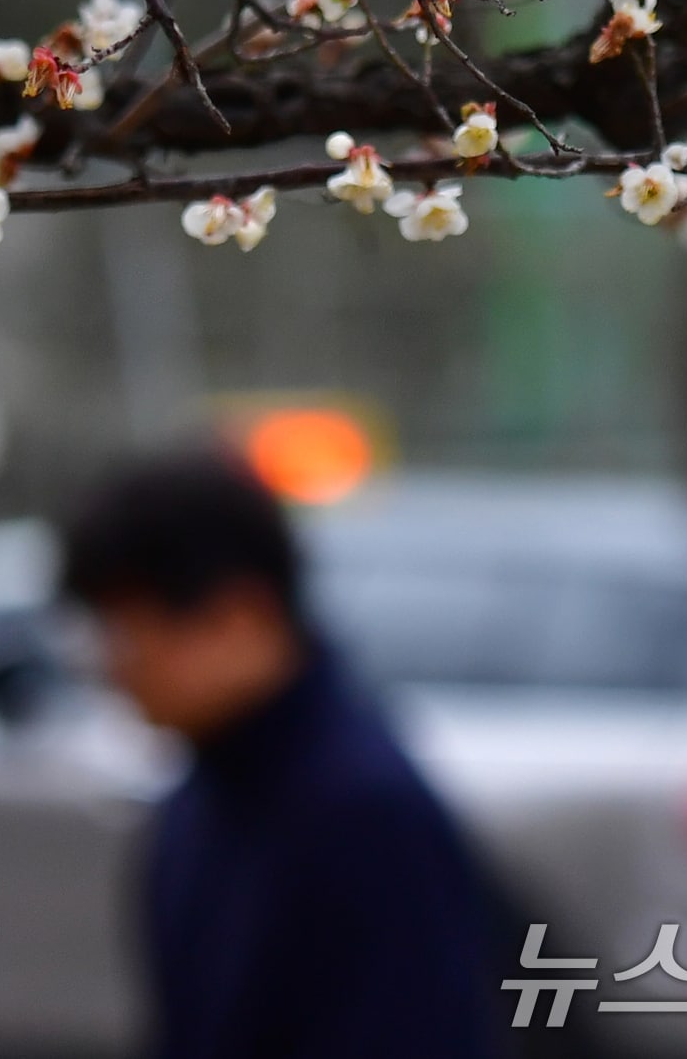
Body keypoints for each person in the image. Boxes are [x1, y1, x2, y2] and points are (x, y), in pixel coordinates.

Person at [61, 444, 509, 1059]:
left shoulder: (360, 815)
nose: (114, 669)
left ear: (240, 616)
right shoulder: (212, 789)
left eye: (131, 635)